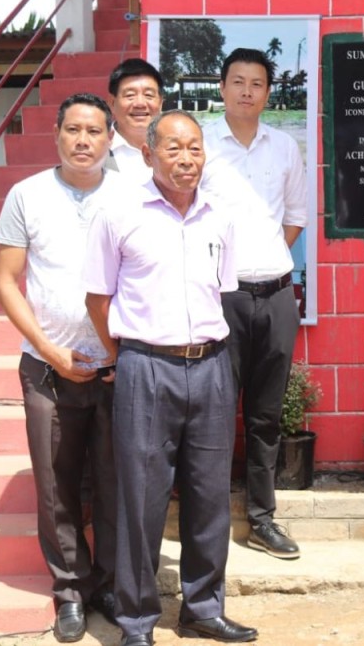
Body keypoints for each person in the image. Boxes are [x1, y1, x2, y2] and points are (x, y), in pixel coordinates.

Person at [84, 110, 258, 646]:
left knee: (210, 495)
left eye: (195, 149)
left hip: (210, 366)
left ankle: (203, 608)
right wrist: (128, 355)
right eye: (174, 149)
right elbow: (97, 299)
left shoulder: (218, 217)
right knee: (141, 497)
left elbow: (219, 292)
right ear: (147, 154)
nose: (186, 159)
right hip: (145, 367)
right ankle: (137, 621)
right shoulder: (119, 214)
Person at [0, 93, 122, 642]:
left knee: (119, 484)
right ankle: (69, 590)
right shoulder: (27, 195)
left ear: (110, 139)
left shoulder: (131, 193)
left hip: (118, 366)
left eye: (95, 131)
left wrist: (121, 348)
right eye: (74, 130)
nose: (84, 141)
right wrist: (49, 350)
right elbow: (6, 280)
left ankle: (114, 586)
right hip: (47, 367)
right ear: (57, 134)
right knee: (56, 485)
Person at [201, 47, 308, 560]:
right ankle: (209, 519)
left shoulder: (285, 147)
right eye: (237, 81)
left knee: (266, 415)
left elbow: (293, 217)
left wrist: (265, 262)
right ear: (221, 88)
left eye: (257, 83)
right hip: (219, 298)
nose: (247, 91)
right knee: (214, 414)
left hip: (277, 295)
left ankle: (262, 519)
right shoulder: (201, 146)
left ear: (270, 92)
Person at [106, 58, 163, 182]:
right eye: (130, 95)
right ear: (112, 102)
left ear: (161, 103)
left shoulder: (176, 146)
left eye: (148, 95)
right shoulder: (98, 147)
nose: (140, 104)